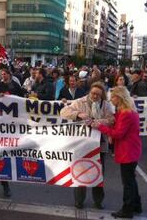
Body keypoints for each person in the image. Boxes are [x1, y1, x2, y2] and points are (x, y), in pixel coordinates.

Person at [60, 82, 114, 210]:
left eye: (98, 95)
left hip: (100, 144)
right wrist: (78, 114)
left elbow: (111, 120)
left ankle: (98, 202)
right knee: (80, 172)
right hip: (82, 144)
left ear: (102, 96)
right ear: (89, 92)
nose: (95, 96)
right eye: (93, 93)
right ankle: (79, 201)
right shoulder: (80, 102)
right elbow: (64, 112)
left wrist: (96, 123)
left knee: (99, 174)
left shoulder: (106, 105)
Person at [91, 86, 142, 218]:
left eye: (113, 97)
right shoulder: (125, 111)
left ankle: (127, 209)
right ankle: (136, 205)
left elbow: (118, 133)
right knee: (131, 180)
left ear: (119, 98)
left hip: (128, 150)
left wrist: (100, 127)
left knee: (127, 182)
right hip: (131, 149)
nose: (111, 99)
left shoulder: (126, 113)